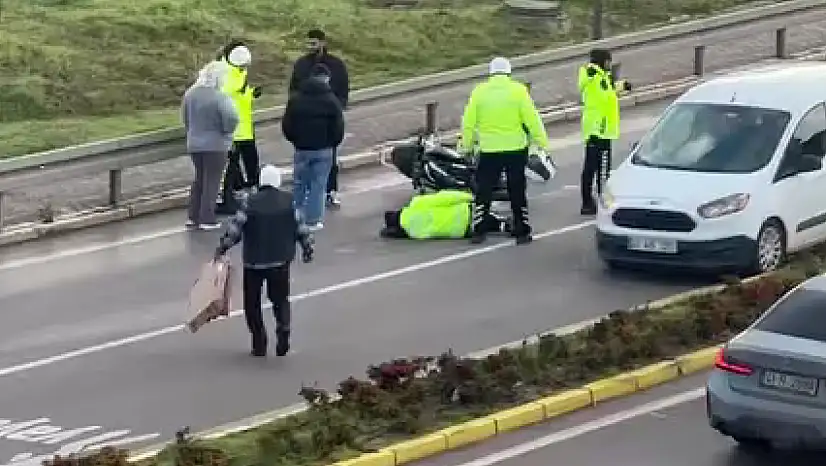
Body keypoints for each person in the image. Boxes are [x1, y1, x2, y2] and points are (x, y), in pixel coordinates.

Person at [214, 165, 314, 357]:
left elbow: (235, 230)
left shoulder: (249, 202)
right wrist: (308, 249)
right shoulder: (290, 201)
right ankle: (283, 327)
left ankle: (259, 342)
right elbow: (302, 229)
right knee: (280, 299)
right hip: (280, 260)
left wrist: (222, 247)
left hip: (254, 262)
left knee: (252, 304)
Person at [460, 56, 550, 246]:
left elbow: (468, 123)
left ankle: (479, 230)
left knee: (484, 191)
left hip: (489, 149)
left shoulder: (479, 92)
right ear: (508, 72)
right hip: (515, 149)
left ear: (490, 72)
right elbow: (532, 119)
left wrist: (467, 146)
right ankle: (522, 230)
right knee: (517, 191)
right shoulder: (518, 91)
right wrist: (541, 142)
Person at [288, 29, 350, 208]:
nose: (310, 47)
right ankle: (306, 195)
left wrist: (339, 106)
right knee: (305, 162)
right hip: (304, 119)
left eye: (314, 43)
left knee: (330, 159)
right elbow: (293, 88)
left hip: (328, 118)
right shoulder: (301, 65)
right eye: (308, 43)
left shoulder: (336, 65)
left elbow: (343, 87)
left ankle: (330, 191)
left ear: (323, 43)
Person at [282, 63, 345, 231]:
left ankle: (295, 216)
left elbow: (287, 125)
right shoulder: (331, 100)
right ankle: (313, 220)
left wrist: (295, 140)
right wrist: (333, 143)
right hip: (324, 149)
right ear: (326, 79)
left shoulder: (296, 99)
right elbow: (338, 127)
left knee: (299, 183)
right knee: (319, 185)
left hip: (302, 148)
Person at [182, 60, 239, 230]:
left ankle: (193, 216)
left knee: (199, 179)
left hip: (194, 143)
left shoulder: (190, 94)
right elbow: (231, 119)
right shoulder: (220, 97)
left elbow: (185, 117)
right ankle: (207, 218)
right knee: (212, 182)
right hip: (216, 145)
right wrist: (227, 132)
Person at [578, 48, 629, 216]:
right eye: (608, 61)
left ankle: (589, 202)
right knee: (600, 169)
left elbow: (608, 92)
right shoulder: (593, 76)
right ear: (601, 61)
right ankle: (599, 201)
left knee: (592, 167)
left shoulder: (601, 77)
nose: (609, 64)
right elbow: (595, 87)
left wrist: (622, 87)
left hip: (597, 129)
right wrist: (591, 68)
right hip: (600, 130)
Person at [218, 44, 263, 213]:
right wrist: (242, 88)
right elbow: (227, 93)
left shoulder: (239, 72)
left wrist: (251, 93)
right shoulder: (226, 75)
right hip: (233, 129)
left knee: (250, 160)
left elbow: (240, 97)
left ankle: (250, 186)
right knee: (234, 164)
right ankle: (237, 191)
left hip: (244, 126)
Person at [381, 190, 511, 240]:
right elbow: (444, 197)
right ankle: (503, 223)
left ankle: (500, 226)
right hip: (465, 213)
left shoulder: (413, 233)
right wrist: (468, 197)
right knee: (485, 214)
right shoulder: (417, 204)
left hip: (460, 231)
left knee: (485, 224)